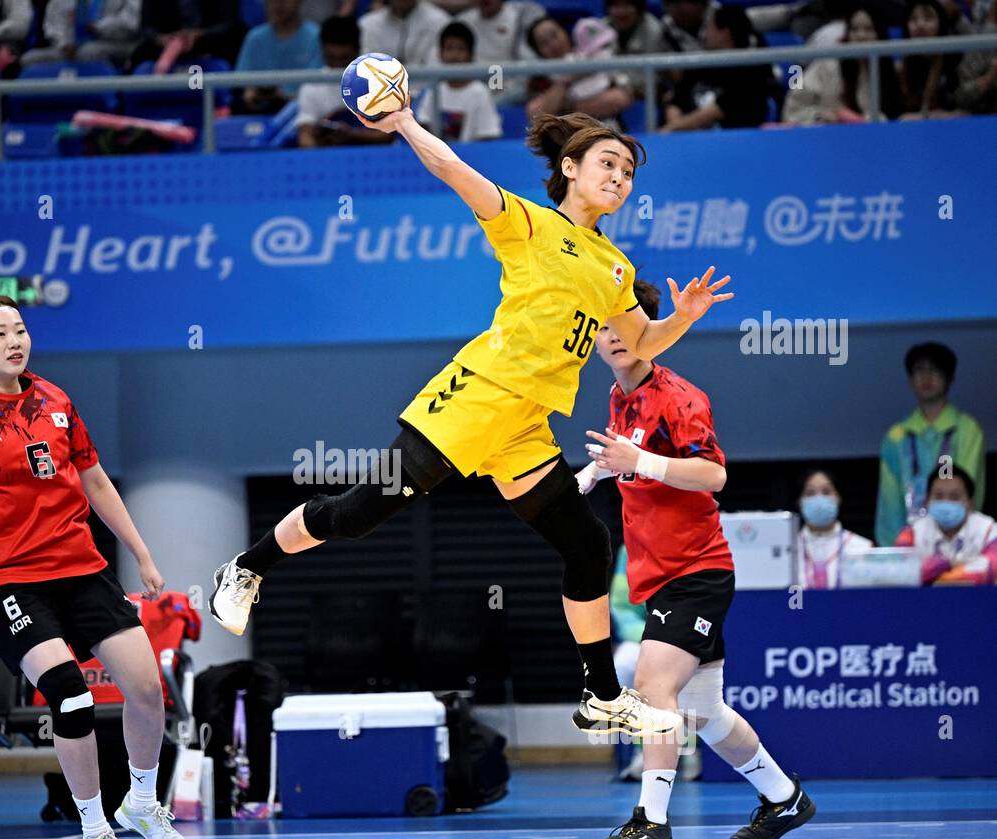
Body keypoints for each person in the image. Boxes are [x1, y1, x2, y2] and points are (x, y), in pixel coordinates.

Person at [210, 110, 735, 741]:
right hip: (474, 398)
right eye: (607, 164)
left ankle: (600, 695)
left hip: (525, 425)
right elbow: (450, 167)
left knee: (587, 544)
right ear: (569, 169)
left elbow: (644, 341)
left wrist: (686, 316)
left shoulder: (615, 266)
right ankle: (247, 568)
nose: (620, 178)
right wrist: (403, 119)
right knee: (358, 514)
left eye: (628, 172)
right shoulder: (529, 224)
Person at [0, 292, 188, 839]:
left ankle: (140, 802)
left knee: (146, 688)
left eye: (21, 330)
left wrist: (141, 554)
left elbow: (98, 483)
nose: (15, 341)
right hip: (12, 583)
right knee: (71, 694)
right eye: (0, 333)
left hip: (83, 571)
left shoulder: (57, 400)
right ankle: (93, 831)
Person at [578, 279, 816, 839]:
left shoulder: (681, 398)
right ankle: (783, 798)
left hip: (697, 570)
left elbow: (712, 476)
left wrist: (640, 461)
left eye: (623, 325)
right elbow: (636, 466)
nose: (612, 337)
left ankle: (651, 824)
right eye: (602, 327)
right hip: (658, 573)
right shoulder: (618, 397)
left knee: (652, 686)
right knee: (704, 711)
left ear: (649, 331)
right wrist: (598, 475)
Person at [875, 341, 986, 546]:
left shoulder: (966, 429)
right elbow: (889, 505)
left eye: (934, 369)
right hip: (909, 545)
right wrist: (895, 550)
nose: (926, 377)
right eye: (919, 370)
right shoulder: (896, 436)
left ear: (950, 378)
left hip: (958, 542)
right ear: (909, 379)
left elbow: (968, 491)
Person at [782, 3, 904, 123]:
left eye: (869, 29)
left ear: (881, 34)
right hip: (831, 136)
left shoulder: (894, 71)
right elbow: (792, 109)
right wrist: (818, 116)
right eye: (854, 29)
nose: (861, 36)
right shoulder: (825, 65)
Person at [663, 4, 779, 130]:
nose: (705, 35)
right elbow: (677, 100)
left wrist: (672, 129)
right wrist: (674, 131)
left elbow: (721, 109)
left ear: (725, 32)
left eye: (709, 28)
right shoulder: (701, 65)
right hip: (688, 140)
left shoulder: (751, 73)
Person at [296, 16, 393, 147]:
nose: (338, 65)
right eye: (331, 58)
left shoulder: (379, 82)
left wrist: (352, 134)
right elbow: (305, 135)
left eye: (344, 58)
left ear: (358, 51)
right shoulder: (312, 86)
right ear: (323, 52)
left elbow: (388, 134)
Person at [524, 15, 633, 125]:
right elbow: (535, 115)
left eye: (554, 34)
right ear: (538, 51)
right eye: (544, 42)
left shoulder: (594, 57)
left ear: (564, 31)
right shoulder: (539, 77)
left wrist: (560, 109)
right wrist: (567, 80)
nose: (553, 43)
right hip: (562, 136)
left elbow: (620, 98)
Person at [895, 468, 997, 585]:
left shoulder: (990, 531)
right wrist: (950, 564)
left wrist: (932, 573)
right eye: (938, 496)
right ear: (927, 501)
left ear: (970, 503)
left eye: (955, 497)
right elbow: (902, 573)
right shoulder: (910, 533)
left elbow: (988, 570)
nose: (946, 502)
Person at [414, 22, 503, 140]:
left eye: (461, 49)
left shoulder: (480, 92)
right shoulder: (435, 90)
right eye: (449, 48)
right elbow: (423, 124)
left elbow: (488, 134)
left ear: (471, 55)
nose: (454, 55)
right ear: (440, 53)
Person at [235, 0, 322, 113]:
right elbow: (241, 84)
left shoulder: (316, 36)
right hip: (259, 112)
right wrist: (251, 93)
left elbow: (319, 89)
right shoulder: (254, 37)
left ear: (299, 2)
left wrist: (284, 98)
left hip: (303, 113)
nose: (278, 4)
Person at [795, 468, 875, 588]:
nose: (819, 499)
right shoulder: (788, 550)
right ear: (799, 502)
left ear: (839, 498)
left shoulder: (862, 548)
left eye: (826, 492)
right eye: (810, 493)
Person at [899, 0, 966, 117]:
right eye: (913, 19)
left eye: (928, 18)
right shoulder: (903, 67)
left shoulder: (957, 59)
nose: (920, 25)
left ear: (941, 22)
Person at [360, 0, 452, 67]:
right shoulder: (367, 24)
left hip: (428, 91)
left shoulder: (440, 21)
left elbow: (436, 67)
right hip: (381, 91)